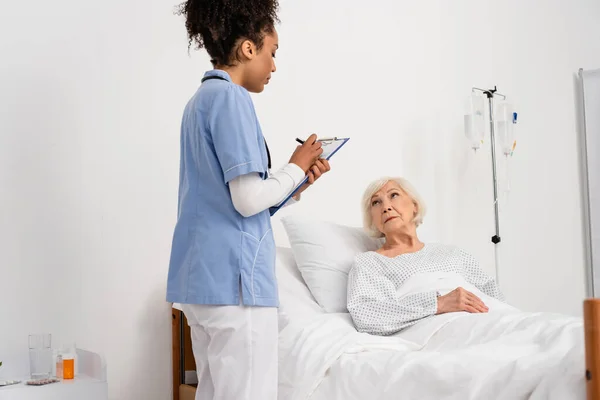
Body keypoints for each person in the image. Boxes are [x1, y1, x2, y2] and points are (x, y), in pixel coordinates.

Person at [165, 1, 331, 399]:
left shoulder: (199, 102)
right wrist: (294, 166)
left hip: (202, 282)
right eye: (272, 53)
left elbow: (230, 199)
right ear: (248, 49)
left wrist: (295, 186)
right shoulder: (231, 99)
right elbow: (247, 200)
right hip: (235, 286)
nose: (274, 66)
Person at [347, 176, 505, 336]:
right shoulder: (370, 262)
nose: (386, 207)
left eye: (393, 195)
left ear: (414, 205)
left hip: (492, 318)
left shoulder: (452, 253)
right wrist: (437, 303)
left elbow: (493, 294)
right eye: (376, 202)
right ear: (372, 219)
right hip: (442, 329)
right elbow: (366, 315)